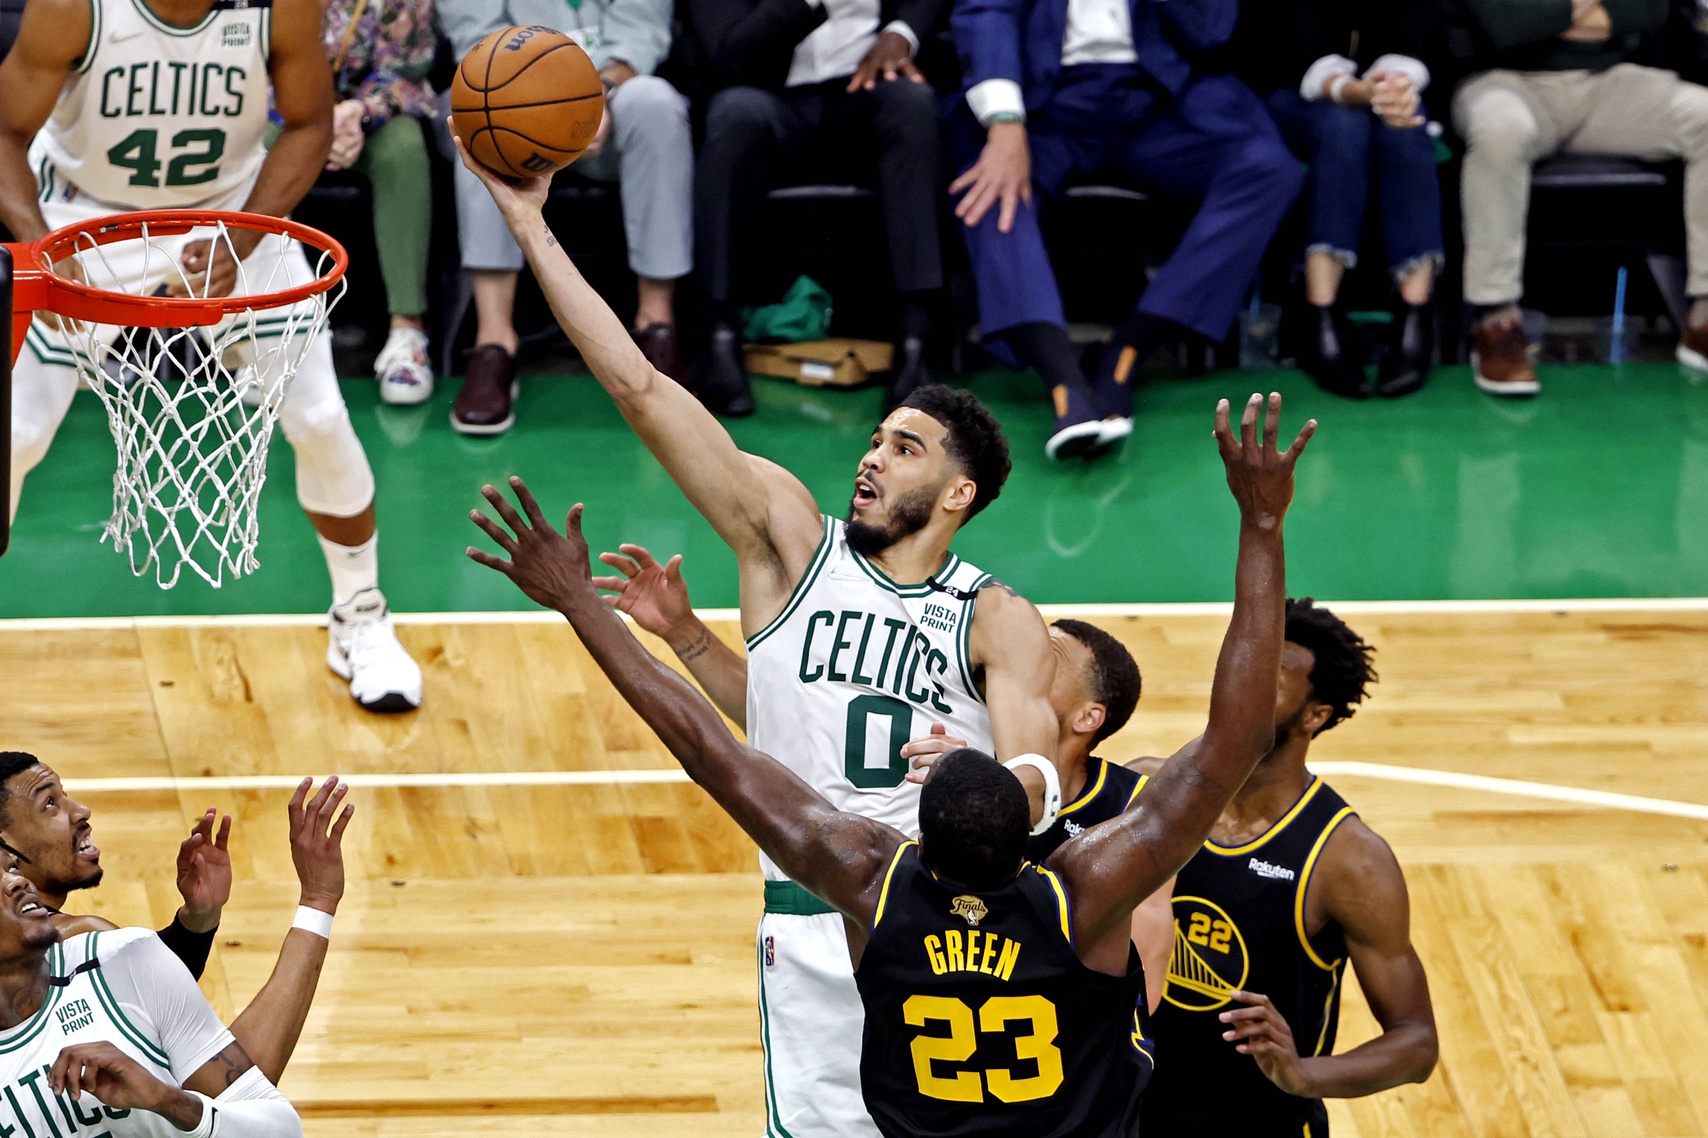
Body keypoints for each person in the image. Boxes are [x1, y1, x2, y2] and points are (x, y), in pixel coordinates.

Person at [463, 389, 1314, 1137]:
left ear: (915, 842)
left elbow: (706, 749)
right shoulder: (1082, 896)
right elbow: (1234, 741)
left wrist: (579, 602)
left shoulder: (875, 885)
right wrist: (1263, 524)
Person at [458, 132, 1068, 1138]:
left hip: (940, 922)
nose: (872, 458)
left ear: (958, 493)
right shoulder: (790, 541)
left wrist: (990, 780)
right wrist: (530, 225)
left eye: (904, 448)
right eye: (876, 440)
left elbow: (1042, 771)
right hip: (807, 912)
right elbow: (643, 390)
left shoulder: (995, 613)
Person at [0, 0, 423, 712]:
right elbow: (6, 131)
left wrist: (246, 236)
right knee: (13, 436)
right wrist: (37, 239)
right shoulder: (77, 7)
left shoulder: (280, 7)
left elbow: (310, 125)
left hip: (230, 214)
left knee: (320, 417)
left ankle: (361, 612)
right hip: (82, 214)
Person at [590, 549, 1173, 1008]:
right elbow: (790, 725)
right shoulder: (958, 755)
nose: (1029, 661)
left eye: (1050, 660)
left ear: (1089, 717)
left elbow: (1143, 974)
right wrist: (686, 633)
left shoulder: (1121, 806)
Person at [1133, 598, 1438, 1137]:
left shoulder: (1347, 859)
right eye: (1240, 665)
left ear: (1315, 714)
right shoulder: (1148, 791)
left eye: (1268, 678)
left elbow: (1416, 1042)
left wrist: (1303, 1074)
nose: (1241, 685)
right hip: (1129, 1115)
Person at [948, 0, 1303, 458]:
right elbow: (987, 11)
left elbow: (1212, 30)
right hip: (1043, 102)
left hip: (1160, 98)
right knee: (986, 184)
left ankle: (1128, 347)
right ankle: (1064, 382)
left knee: (1269, 169)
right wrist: (1004, 119)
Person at [0, 752, 355, 1086]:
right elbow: (234, 1090)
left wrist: (197, 921)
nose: (81, 810)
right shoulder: (83, 945)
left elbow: (151, 991)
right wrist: (317, 900)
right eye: (50, 803)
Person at [437, 0, 694, 434]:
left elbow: (642, 29)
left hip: (612, 94)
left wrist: (591, 95)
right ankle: (494, 341)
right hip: (511, 92)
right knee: (479, 119)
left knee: (656, 104)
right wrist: (546, 99)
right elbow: (476, 42)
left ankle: (657, 326)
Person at [687, 0, 945, 414]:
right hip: (767, 95)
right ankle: (719, 335)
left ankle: (918, 340)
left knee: (913, 107)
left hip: (864, 87)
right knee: (734, 116)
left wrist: (901, 33)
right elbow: (730, 56)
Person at [1456, 0, 1708, 395]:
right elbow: (1505, 25)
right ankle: (1495, 318)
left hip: (1607, 81)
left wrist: (1547, 15)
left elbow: (1647, 10)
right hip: (1503, 80)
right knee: (1501, 129)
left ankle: (1703, 317)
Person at [1226, 0, 1443, 399]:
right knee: (1343, 126)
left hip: (1379, 86)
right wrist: (1351, 90)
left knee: (1406, 128)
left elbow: (1415, 19)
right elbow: (1288, 33)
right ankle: (1319, 313)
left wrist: (1392, 85)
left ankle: (1415, 312)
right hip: (1283, 83)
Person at [0, 855, 303, 1138]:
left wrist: (169, 1100)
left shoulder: (121, 960)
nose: (18, 881)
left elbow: (284, 1129)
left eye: (12, 868)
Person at [322, 0, 440, 406]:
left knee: (404, 147)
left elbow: (409, 70)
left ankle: (407, 332)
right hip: (288, 113)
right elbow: (252, 64)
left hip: (368, 118)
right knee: (255, 152)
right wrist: (313, 122)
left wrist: (359, 113)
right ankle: (259, 333)